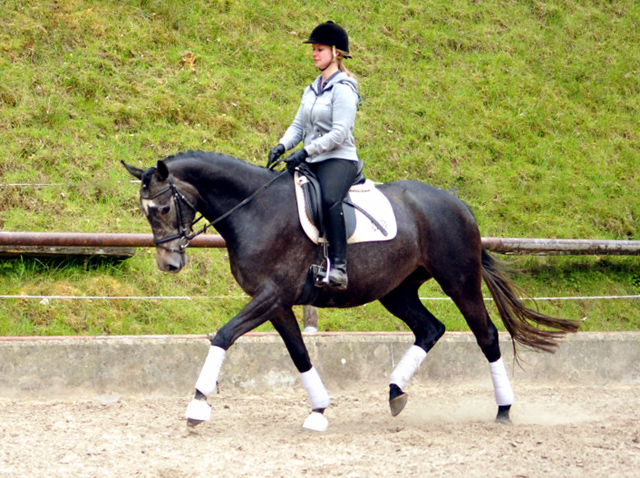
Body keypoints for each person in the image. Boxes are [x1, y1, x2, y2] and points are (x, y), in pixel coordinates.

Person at [267, 21, 361, 290]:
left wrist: (306, 151)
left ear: (336, 53)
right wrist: (283, 146)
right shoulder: (311, 89)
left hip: (338, 159)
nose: (314, 53)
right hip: (312, 159)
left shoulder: (344, 89)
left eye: (320, 49)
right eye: (314, 49)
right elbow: (298, 126)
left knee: (331, 199)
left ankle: (339, 266)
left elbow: (339, 134)